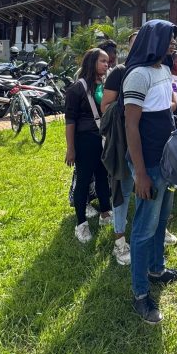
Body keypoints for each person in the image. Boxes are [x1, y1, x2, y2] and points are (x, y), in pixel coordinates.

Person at [124, 20, 177, 324]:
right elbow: (131, 127)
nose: (174, 45)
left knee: (162, 220)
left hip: (165, 163)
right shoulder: (137, 75)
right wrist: (140, 174)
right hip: (148, 164)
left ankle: (156, 269)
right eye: (169, 40)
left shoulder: (163, 71)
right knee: (143, 230)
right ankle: (140, 294)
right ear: (154, 42)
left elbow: (166, 111)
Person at [65, 48, 113, 243]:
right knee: (83, 181)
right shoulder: (77, 89)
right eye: (103, 61)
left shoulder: (105, 85)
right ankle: (81, 224)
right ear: (92, 61)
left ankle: (105, 213)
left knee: (103, 176)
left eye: (107, 61)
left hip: (103, 139)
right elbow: (70, 121)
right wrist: (71, 148)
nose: (106, 64)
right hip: (85, 141)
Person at [102, 32, 142, 265]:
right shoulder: (119, 72)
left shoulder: (156, 70)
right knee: (123, 189)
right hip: (123, 142)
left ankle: (153, 231)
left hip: (149, 143)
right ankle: (119, 239)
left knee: (150, 190)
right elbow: (105, 105)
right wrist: (127, 108)